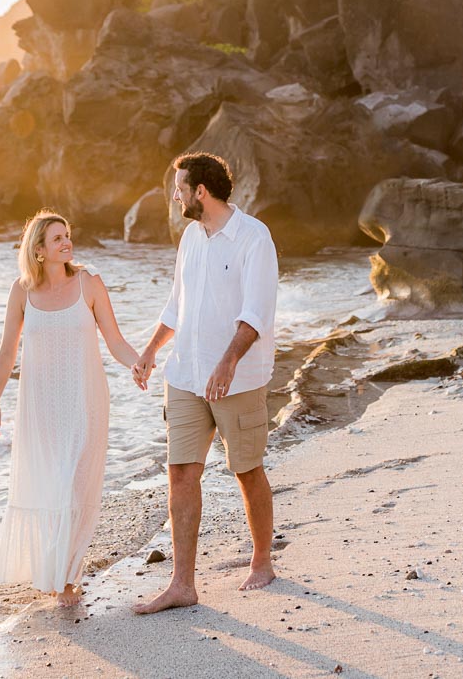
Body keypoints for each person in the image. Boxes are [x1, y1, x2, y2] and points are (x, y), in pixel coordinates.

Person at [131, 152, 279, 614]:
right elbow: (177, 306)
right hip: (186, 374)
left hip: (237, 379)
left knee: (246, 469)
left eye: (179, 188)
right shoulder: (191, 239)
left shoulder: (254, 237)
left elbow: (256, 313)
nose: (174, 196)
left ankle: (261, 561)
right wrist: (152, 350)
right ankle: (182, 584)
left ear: (200, 191)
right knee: (181, 470)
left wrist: (228, 363)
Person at [0, 209, 145, 606]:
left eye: (67, 235)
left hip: (84, 399)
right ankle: (54, 571)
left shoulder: (88, 284)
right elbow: (7, 352)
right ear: (38, 250)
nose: (66, 242)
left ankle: (68, 576)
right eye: (57, 238)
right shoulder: (22, 291)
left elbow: (115, 340)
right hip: (40, 406)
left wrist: (138, 362)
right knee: (51, 488)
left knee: (75, 488)